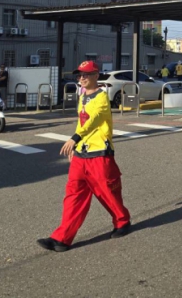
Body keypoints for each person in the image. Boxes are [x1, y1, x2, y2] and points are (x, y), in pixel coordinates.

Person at [37, 60, 131, 251]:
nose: (82, 78)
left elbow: (94, 120)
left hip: (99, 153)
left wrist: (74, 138)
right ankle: (62, 238)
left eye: (86, 75)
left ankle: (122, 221)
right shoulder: (82, 97)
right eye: (79, 75)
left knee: (108, 193)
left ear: (96, 75)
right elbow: (81, 123)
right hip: (82, 154)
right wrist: (76, 145)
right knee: (73, 195)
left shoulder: (102, 98)